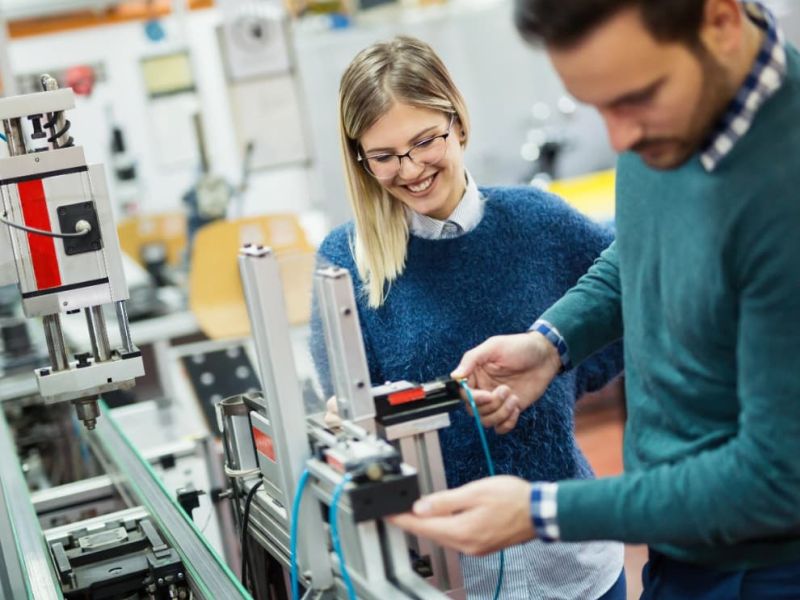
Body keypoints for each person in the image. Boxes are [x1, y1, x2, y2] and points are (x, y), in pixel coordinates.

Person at [391, 1, 800, 598]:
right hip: (678, 540)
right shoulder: (675, 112)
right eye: (599, 107)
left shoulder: (782, 191)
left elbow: (773, 479)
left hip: (767, 566)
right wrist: (552, 343)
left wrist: (541, 512)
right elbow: (639, 249)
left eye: (633, 99)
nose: (619, 137)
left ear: (720, 21)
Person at [309, 36, 627, 600]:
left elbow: (625, 303)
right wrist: (436, 410)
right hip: (452, 575)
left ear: (456, 120)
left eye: (423, 141)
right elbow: (352, 417)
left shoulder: (538, 221)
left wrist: (550, 372)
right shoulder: (347, 261)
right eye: (383, 156)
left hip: (576, 563)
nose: (409, 170)